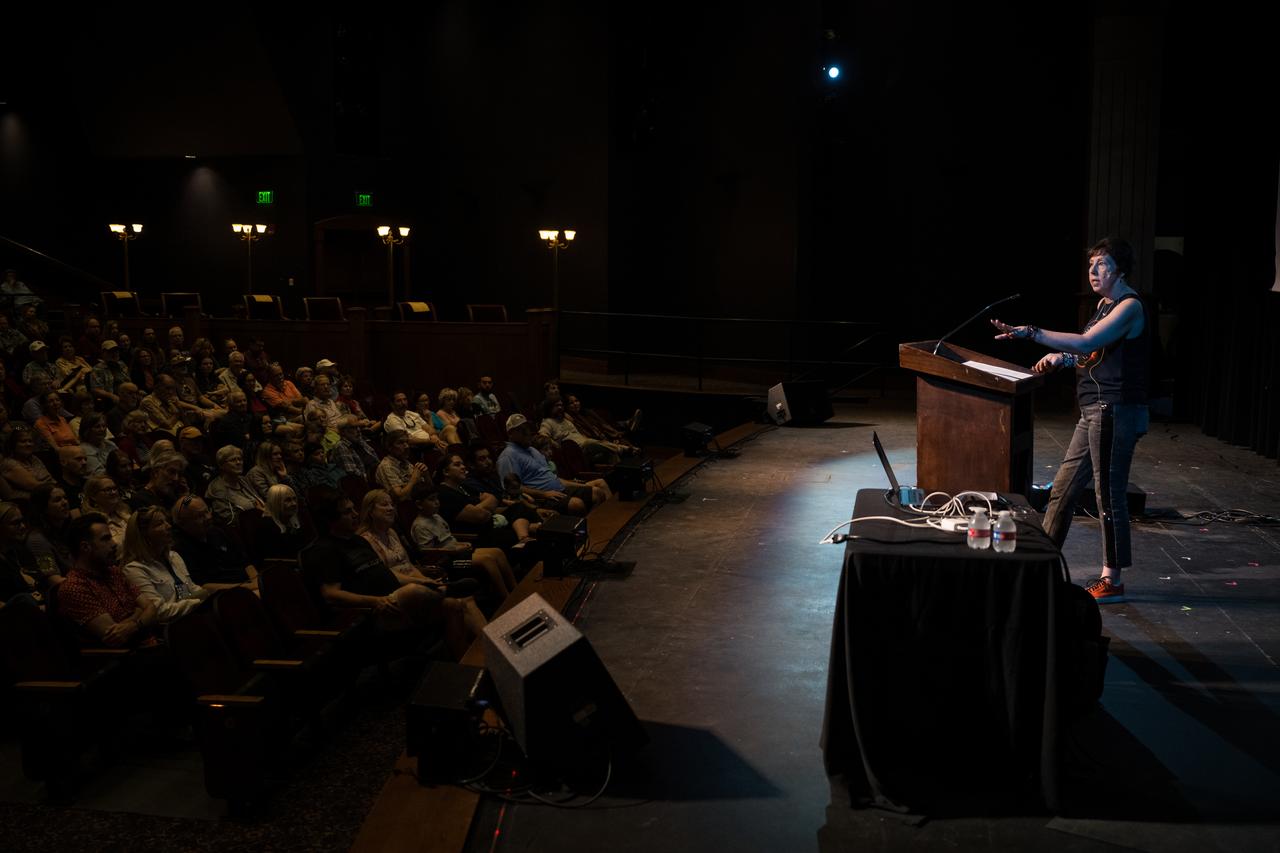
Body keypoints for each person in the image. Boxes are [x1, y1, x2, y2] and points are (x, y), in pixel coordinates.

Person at [991, 237, 1148, 604]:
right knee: (1062, 488)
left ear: (1120, 269)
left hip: (1115, 409)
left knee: (1108, 493)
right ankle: (1041, 562)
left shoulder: (1129, 307)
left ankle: (1113, 579)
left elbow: (1084, 341)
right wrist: (1061, 359)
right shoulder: (1104, 305)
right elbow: (1091, 350)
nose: (1093, 271)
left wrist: (1031, 333)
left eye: (1102, 264)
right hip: (1093, 409)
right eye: (1091, 264)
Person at [56, 513, 158, 647]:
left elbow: (151, 607)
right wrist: (140, 612)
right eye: (106, 539)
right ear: (85, 547)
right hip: (125, 657)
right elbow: (116, 637)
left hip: (150, 642)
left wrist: (133, 624)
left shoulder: (113, 571)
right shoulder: (74, 587)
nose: (114, 544)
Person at [411, 487, 515, 599]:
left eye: (437, 498)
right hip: (447, 563)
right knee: (487, 559)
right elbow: (429, 553)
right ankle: (506, 597)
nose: (437, 502)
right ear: (419, 504)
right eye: (431, 500)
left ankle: (514, 588)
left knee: (497, 552)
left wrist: (461, 543)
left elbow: (448, 537)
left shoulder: (436, 516)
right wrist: (454, 550)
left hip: (457, 553)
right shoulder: (420, 526)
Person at [497, 414, 607, 516]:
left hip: (559, 489)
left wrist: (582, 485)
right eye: (521, 430)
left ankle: (594, 526)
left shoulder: (532, 450)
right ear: (510, 433)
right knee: (576, 504)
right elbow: (513, 490)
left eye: (527, 428)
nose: (527, 432)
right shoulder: (508, 456)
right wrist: (544, 494)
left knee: (597, 492)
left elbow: (553, 477)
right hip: (541, 497)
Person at [121, 506, 208, 624]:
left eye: (166, 521)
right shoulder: (134, 569)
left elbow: (191, 588)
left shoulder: (174, 556)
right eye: (159, 524)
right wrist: (198, 601)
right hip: (171, 628)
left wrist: (206, 594)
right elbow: (158, 611)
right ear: (144, 534)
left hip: (195, 617)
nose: (168, 526)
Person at [171, 495, 259, 589]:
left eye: (207, 511)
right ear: (183, 524)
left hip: (248, 585)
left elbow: (245, 562)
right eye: (200, 516)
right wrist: (248, 587)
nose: (208, 517)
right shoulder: (181, 550)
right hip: (227, 594)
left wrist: (256, 581)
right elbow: (202, 585)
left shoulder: (217, 532)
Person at [204, 445, 263, 525]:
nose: (238, 462)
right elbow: (229, 520)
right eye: (233, 460)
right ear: (222, 465)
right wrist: (256, 512)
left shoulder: (243, 480)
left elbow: (259, 501)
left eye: (240, 459)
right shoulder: (217, 490)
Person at [253, 484, 313, 562]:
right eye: (288, 500)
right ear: (275, 503)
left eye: (294, 499)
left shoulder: (295, 519)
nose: (294, 503)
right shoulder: (266, 526)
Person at [376, 429, 431, 502]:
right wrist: (414, 479)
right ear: (389, 447)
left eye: (407, 442)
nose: (406, 446)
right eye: (400, 443)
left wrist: (426, 475)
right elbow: (400, 498)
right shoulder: (386, 466)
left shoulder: (406, 462)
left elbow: (430, 489)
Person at [1, 426, 55, 499]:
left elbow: (49, 478)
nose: (28, 444)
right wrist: (54, 486)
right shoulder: (9, 463)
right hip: (28, 502)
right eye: (23, 441)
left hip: (48, 495)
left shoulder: (33, 458)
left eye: (30, 441)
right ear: (13, 445)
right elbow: (35, 486)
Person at [80, 474, 132, 546]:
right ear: (93, 496)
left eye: (115, 488)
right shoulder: (93, 524)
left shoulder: (125, 512)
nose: (113, 492)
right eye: (108, 490)